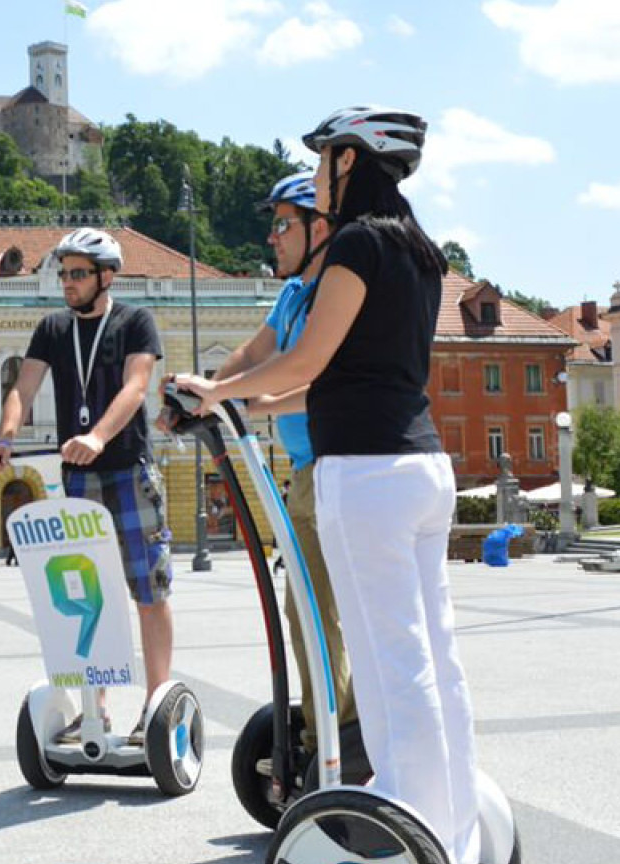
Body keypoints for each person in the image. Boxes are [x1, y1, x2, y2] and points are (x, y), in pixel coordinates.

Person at [172, 107, 481, 863]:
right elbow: (350, 372)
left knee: (386, 664)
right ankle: (458, 823)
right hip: (423, 468)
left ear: (351, 164)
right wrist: (254, 401)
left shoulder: (356, 243)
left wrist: (216, 393)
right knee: (436, 655)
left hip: (365, 475)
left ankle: (405, 824)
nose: (315, 179)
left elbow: (310, 358)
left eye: (321, 165)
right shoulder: (422, 251)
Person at [161, 170, 358, 762]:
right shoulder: (296, 292)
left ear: (318, 227)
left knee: (323, 616)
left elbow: (319, 376)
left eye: (281, 224)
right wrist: (206, 392)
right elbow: (256, 351)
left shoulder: (337, 293)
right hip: (304, 471)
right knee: (304, 612)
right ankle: (321, 735)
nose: (271, 237)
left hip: (336, 465)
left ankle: (340, 744)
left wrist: (254, 400)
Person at [0, 228, 172, 743]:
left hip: (127, 467)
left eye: (79, 273)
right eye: (64, 273)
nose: (68, 282)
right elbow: (24, 387)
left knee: (147, 589)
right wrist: (4, 437)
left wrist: (97, 435)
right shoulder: (52, 329)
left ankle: (155, 706)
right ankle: (96, 709)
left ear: (106, 276)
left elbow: (136, 387)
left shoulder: (135, 322)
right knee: (91, 593)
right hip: (77, 475)